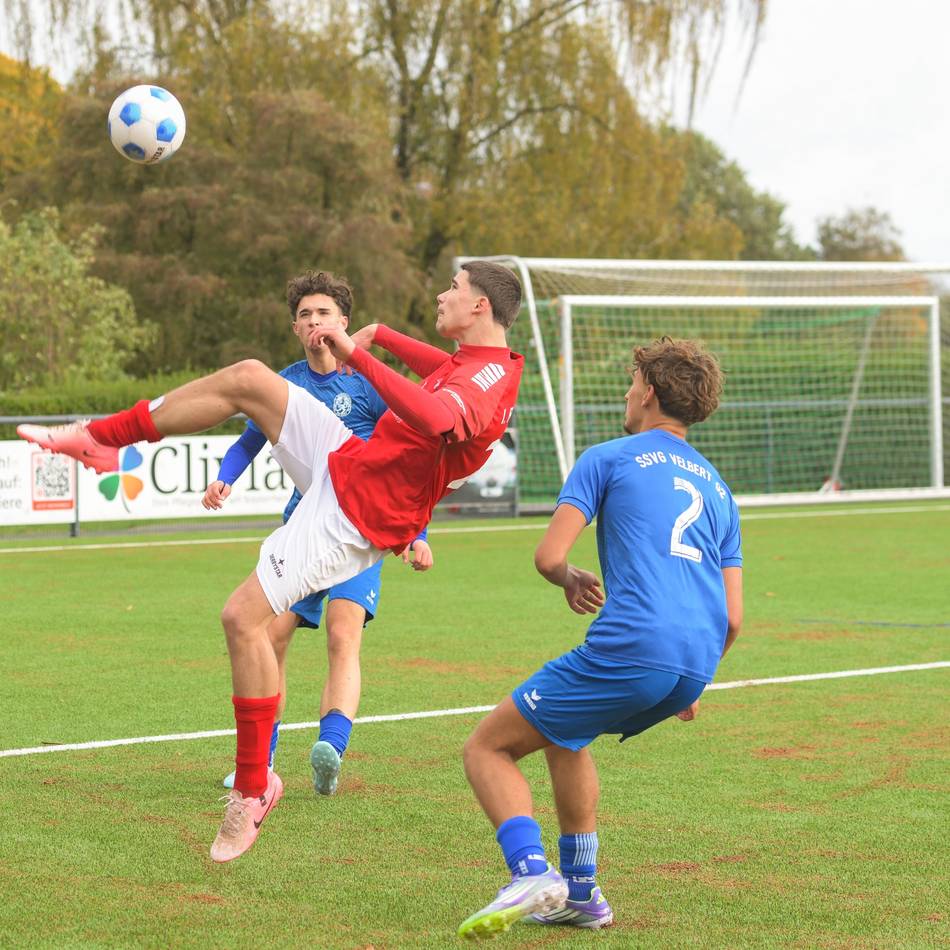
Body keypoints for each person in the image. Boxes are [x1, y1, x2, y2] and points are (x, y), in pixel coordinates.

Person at [18, 261, 524, 864]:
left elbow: (438, 418)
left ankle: (254, 789)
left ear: (480, 306)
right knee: (249, 377)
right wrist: (381, 335)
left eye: (454, 288)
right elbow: (441, 373)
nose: (442, 295)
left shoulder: (486, 377)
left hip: (358, 513)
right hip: (350, 463)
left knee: (243, 619)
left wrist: (357, 353)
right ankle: (102, 439)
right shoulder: (480, 363)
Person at [455, 337, 743, 940]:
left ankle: (530, 872)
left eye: (632, 382)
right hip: (694, 662)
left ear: (650, 393)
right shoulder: (719, 488)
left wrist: (568, 576)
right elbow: (734, 617)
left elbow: (548, 555)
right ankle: (582, 895)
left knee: (486, 748)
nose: (627, 393)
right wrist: (693, 680)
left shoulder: (608, 457)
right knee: (567, 732)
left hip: (634, 645)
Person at [202, 270, 433, 797]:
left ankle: (330, 748)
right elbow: (248, 441)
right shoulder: (285, 385)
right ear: (295, 328)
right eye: (305, 314)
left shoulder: (369, 381)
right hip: (303, 531)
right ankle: (260, 761)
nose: (314, 322)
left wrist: (417, 533)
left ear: (343, 323)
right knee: (268, 636)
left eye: (323, 313)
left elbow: (409, 460)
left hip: (360, 532)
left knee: (342, 633)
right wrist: (224, 478)